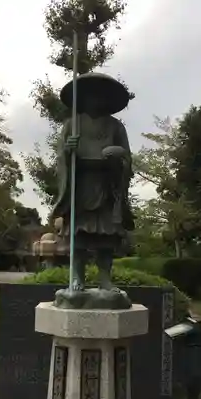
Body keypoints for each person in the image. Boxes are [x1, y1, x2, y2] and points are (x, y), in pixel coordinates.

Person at [51, 73, 135, 291]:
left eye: (101, 96)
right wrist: (67, 152)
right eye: (91, 96)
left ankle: (105, 279)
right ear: (84, 99)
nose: (96, 101)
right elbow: (60, 157)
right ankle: (77, 277)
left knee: (107, 238)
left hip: (107, 185)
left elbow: (127, 157)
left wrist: (118, 157)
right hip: (80, 186)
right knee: (78, 237)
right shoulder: (72, 124)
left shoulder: (116, 127)